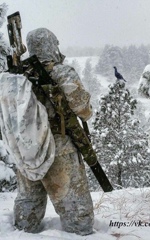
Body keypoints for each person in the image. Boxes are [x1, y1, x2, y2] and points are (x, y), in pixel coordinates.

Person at [13, 28, 94, 235]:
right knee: (76, 210)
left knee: (28, 205)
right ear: (51, 45)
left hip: (27, 149)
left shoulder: (17, 76)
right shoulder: (61, 72)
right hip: (60, 148)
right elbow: (83, 110)